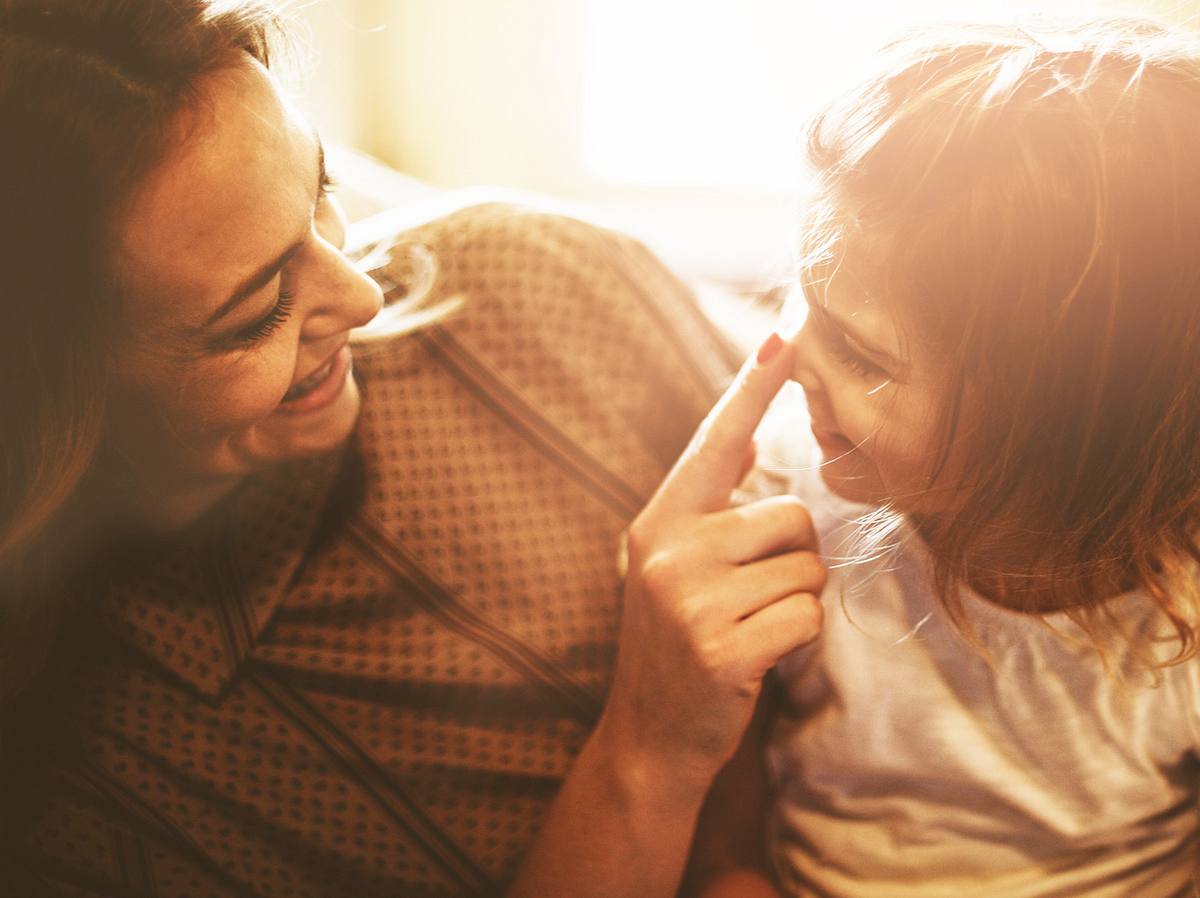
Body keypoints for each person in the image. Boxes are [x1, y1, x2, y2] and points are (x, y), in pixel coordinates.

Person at [0, 1, 827, 896]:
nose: (362, 297)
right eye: (258, 313)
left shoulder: (527, 279)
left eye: (319, 193)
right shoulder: (79, 801)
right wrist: (647, 753)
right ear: (50, 409)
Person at [679, 17, 1200, 898]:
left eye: (862, 353)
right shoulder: (781, 500)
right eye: (799, 303)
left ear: (1065, 428)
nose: (791, 363)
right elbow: (723, 838)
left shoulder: (1178, 611)